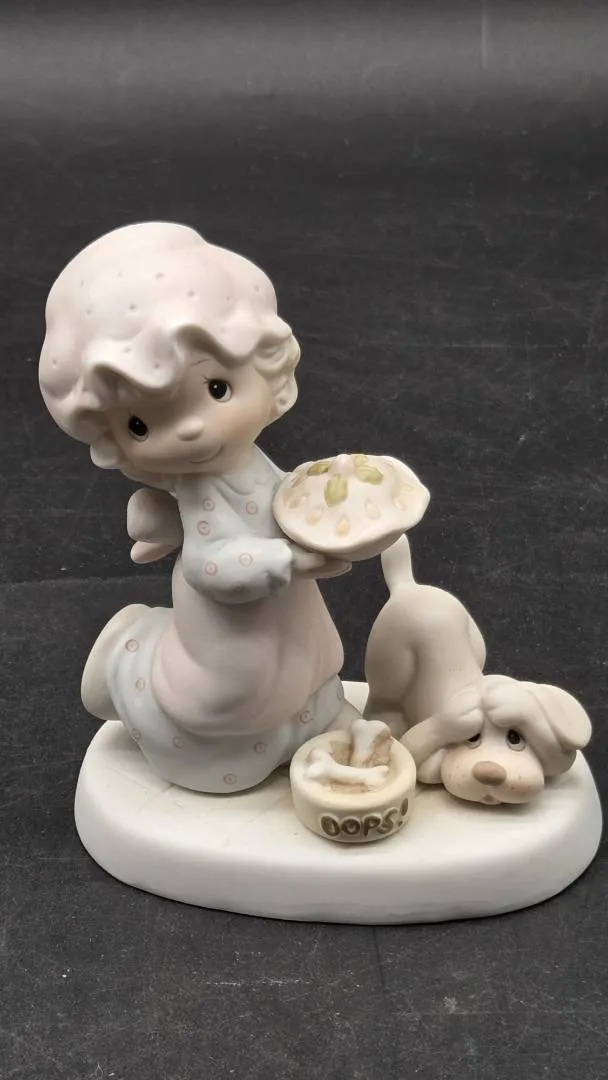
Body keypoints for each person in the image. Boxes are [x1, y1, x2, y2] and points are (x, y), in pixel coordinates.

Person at [40, 222, 355, 792]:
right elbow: (211, 563)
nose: (189, 430)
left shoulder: (251, 463)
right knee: (237, 702)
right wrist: (289, 560)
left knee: (306, 671)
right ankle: (125, 659)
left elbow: (281, 495)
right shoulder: (201, 492)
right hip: (234, 624)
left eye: (216, 389)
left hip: (286, 612)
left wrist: (329, 500)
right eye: (141, 424)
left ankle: (303, 725)